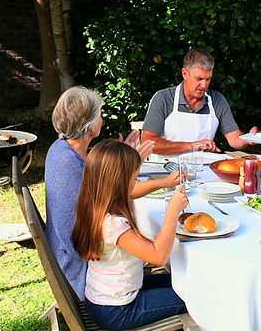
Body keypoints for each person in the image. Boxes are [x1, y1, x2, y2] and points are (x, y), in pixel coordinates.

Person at [45, 86, 179, 300]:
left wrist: (120, 161)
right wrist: (125, 168)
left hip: (86, 263)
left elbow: (103, 189)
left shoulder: (61, 149)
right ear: (90, 127)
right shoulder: (67, 165)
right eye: (99, 116)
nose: (102, 120)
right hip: (83, 271)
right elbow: (107, 200)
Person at [71, 139, 188, 330]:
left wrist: (165, 182)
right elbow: (158, 255)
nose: (136, 184)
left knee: (184, 278)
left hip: (103, 298)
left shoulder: (93, 204)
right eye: (134, 179)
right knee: (193, 292)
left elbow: (132, 192)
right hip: (118, 310)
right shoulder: (113, 225)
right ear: (118, 183)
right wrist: (172, 213)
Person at [141, 48, 257, 156]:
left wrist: (250, 139)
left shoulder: (216, 100)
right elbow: (148, 142)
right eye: (199, 79)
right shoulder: (164, 98)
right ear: (185, 74)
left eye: (208, 79)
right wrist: (191, 146)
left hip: (203, 169)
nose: (204, 85)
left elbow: (234, 139)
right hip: (165, 169)